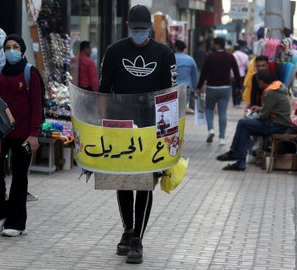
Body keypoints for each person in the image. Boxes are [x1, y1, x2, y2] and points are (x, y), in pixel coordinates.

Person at [98, 5, 177, 264]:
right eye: (135, 29)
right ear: (128, 27)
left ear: (150, 29)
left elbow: (171, 94)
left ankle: (137, 239)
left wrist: (170, 133)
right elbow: (102, 90)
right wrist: (100, 125)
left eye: (143, 30)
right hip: (120, 128)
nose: (139, 34)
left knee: (143, 184)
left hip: (150, 129)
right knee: (122, 182)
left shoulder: (164, 54)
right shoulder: (114, 51)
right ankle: (127, 229)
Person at [0, 34, 43, 237]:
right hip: (0, 135)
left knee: (19, 177)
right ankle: (2, 212)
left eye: (15, 46)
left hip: (24, 136)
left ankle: (16, 223)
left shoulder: (31, 73)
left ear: (23, 50)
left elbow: (37, 106)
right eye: (7, 47)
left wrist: (34, 134)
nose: (11, 50)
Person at [216, 70, 292, 171]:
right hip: (279, 124)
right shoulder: (278, 87)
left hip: (276, 125)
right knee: (245, 127)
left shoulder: (270, 92)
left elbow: (264, 115)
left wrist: (255, 115)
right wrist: (260, 109)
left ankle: (234, 153)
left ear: (261, 82)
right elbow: (272, 108)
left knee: (243, 123)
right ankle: (240, 163)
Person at [196, 37, 242, 145]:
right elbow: (236, 73)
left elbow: (203, 73)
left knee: (209, 109)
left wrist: (199, 87)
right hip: (225, 88)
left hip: (211, 87)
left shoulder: (209, 56)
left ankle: (211, 129)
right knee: (222, 113)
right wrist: (240, 87)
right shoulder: (230, 57)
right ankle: (222, 138)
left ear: (216, 45)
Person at [173, 39, 197, 113]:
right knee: (182, 108)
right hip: (186, 87)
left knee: (174, 109)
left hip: (173, 87)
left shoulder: (171, 57)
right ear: (184, 49)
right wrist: (195, 87)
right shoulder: (190, 59)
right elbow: (194, 76)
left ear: (175, 48)